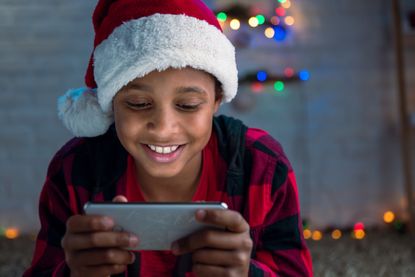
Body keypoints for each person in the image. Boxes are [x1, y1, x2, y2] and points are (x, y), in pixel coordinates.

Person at [24, 0, 313, 276]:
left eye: (187, 105)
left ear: (217, 99)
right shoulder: (74, 170)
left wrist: (247, 273)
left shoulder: (261, 165)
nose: (163, 129)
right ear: (110, 104)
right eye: (138, 103)